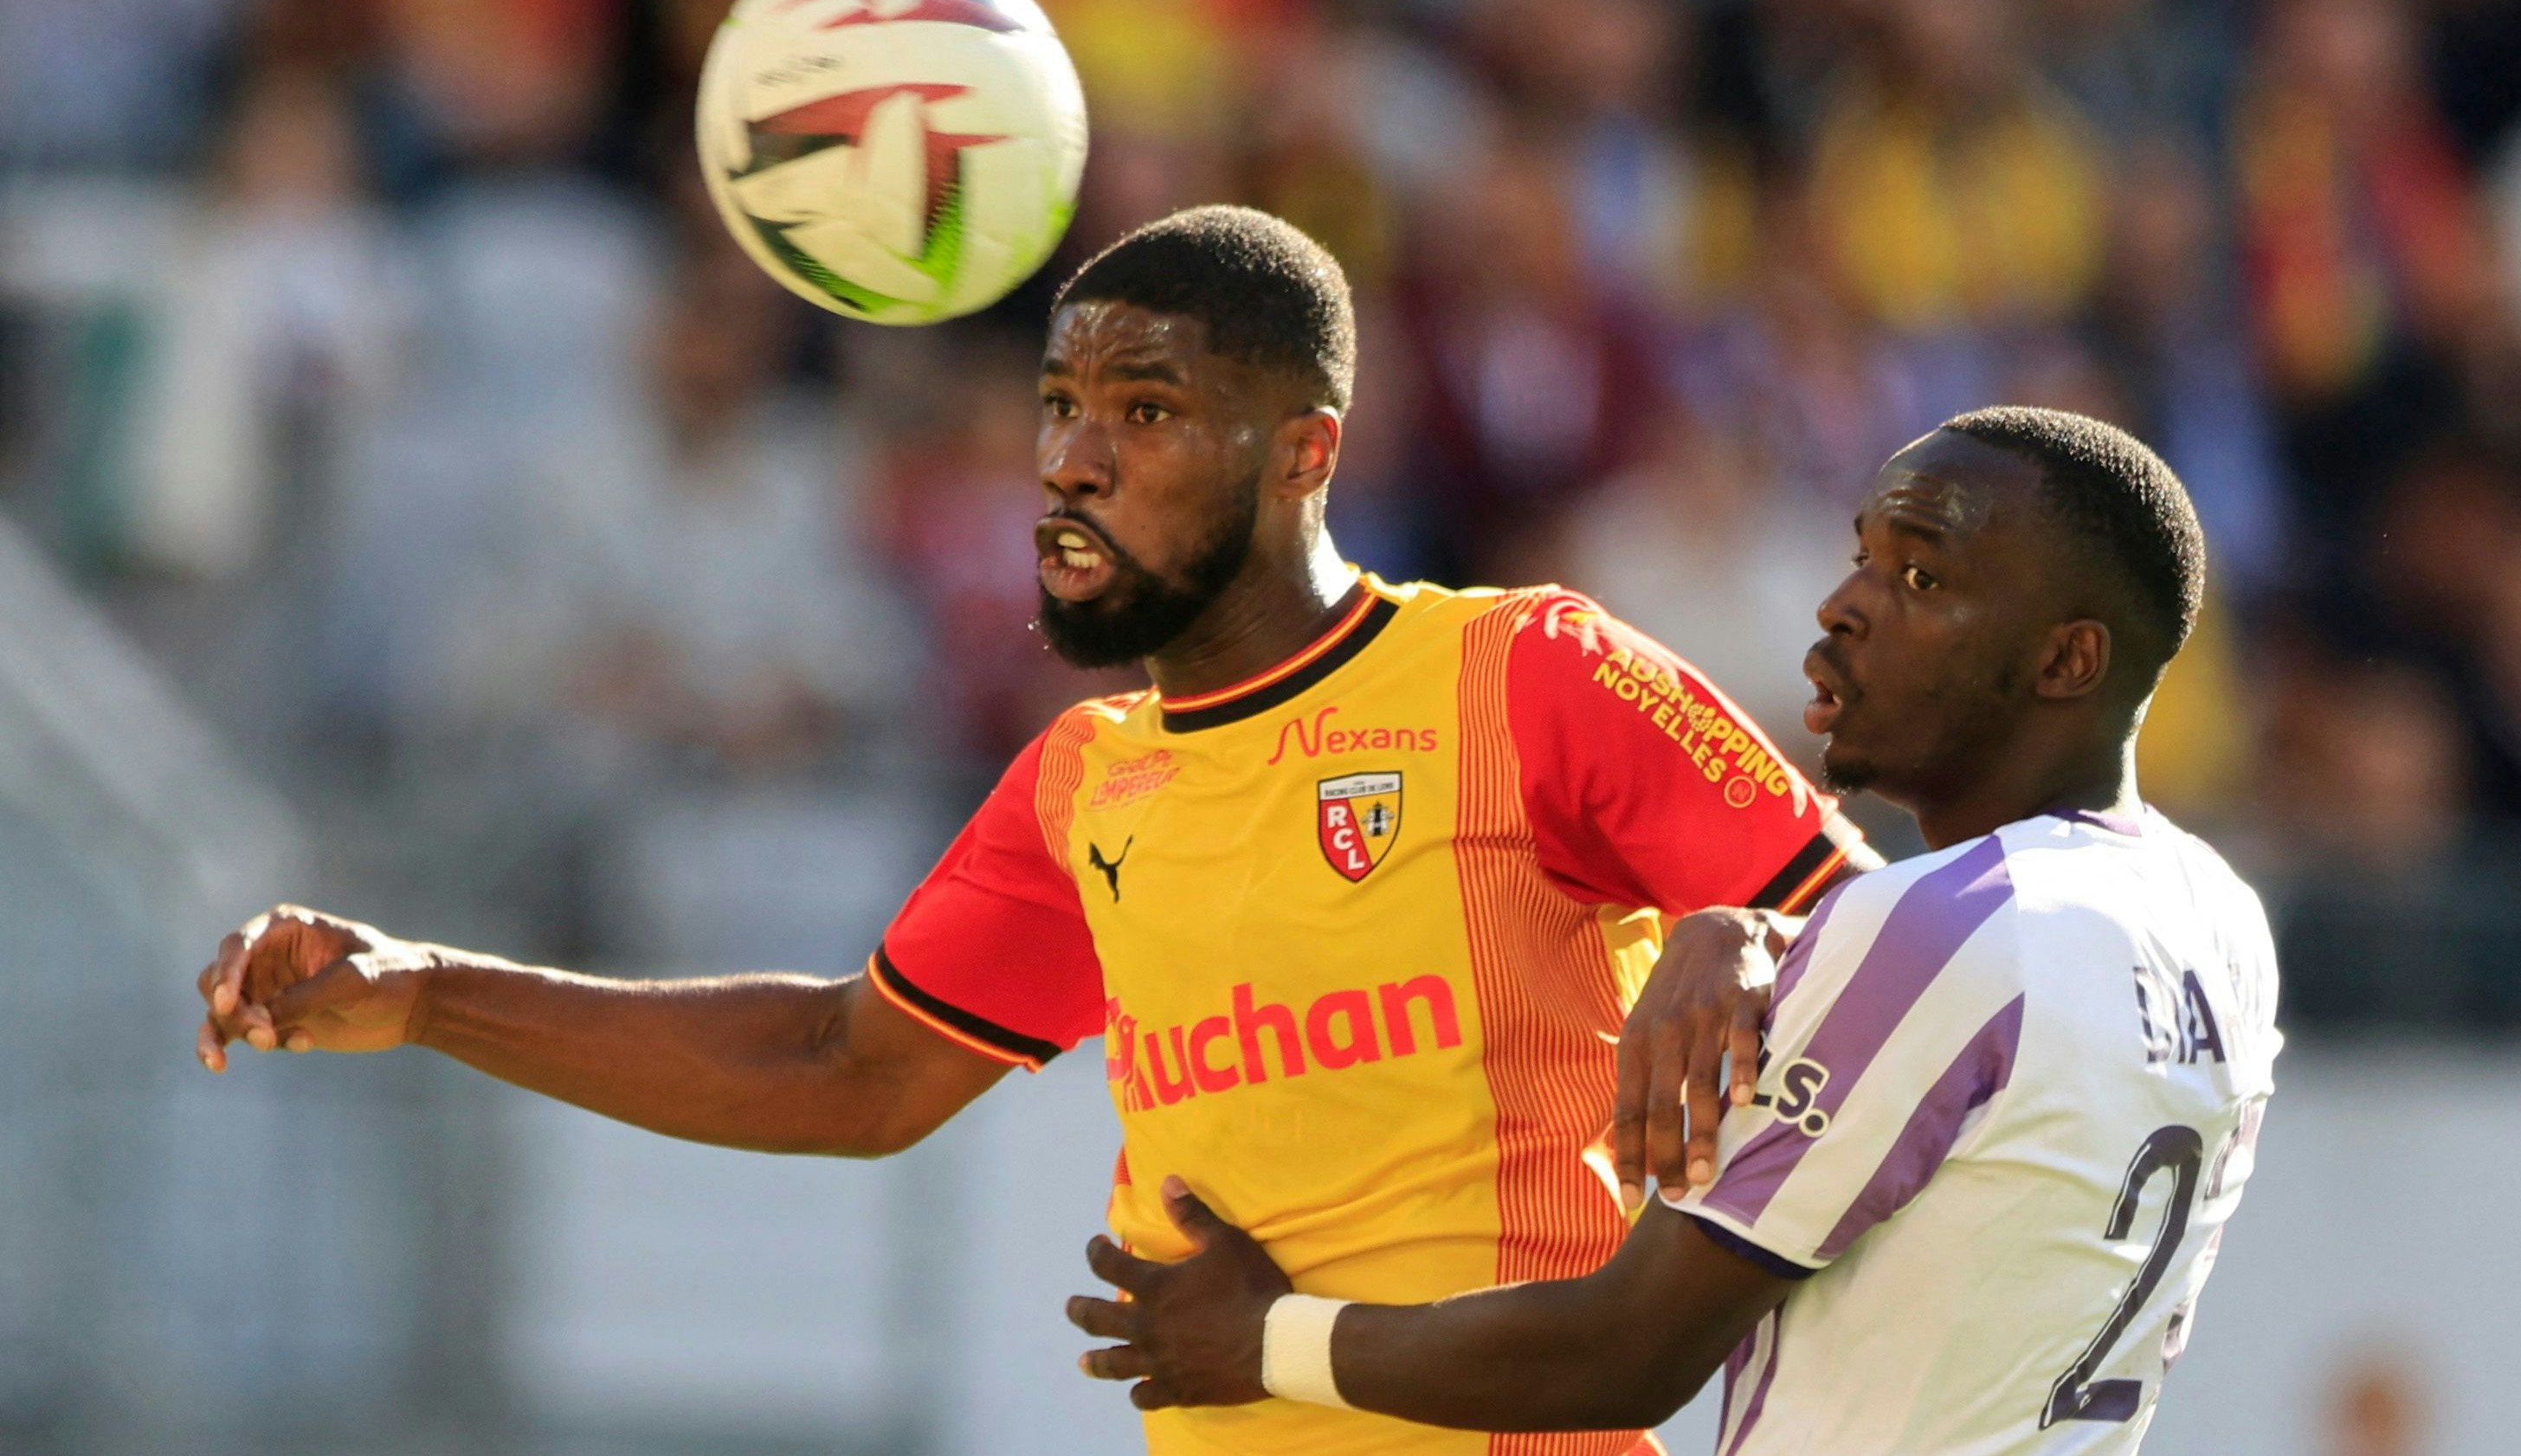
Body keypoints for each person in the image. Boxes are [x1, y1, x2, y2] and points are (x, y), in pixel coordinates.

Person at [193, 206, 1877, 1456]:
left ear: (1302, 452)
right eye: (1057, 406)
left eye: (1142, 413)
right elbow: (840, 1067)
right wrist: (426, 993)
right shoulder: (1084, 779)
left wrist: (1743, 930)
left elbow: (1908, 953)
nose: (1070, 461)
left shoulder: (1526, 673)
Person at [1069, 407, 2282, 1456]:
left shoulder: (1945, 930)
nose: (1842, 605)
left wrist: (1255, 1337)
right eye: (1861, 556)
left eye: (1922, 579)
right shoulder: (2215, 916)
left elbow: (1616, 1352)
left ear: (2066, 659)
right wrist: (1764, 932)